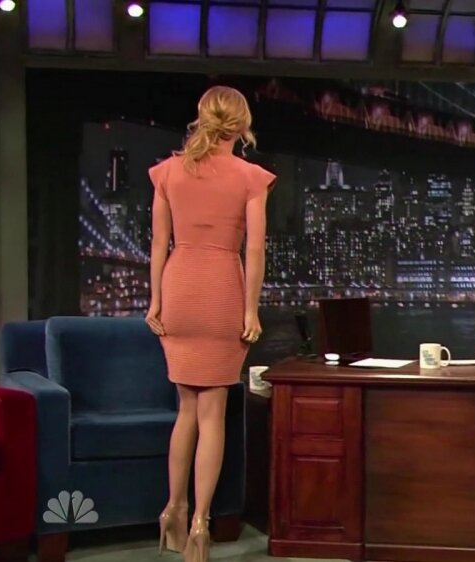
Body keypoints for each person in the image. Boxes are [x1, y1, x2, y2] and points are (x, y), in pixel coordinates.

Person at [145, 85, 275, 561]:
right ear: (241, 125)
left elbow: (158, 244)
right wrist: (250, 309)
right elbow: (254, 250)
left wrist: (156, 301)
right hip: (221, 291)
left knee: (185, 410)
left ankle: (172, 511)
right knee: (211, 415)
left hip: (179, 288)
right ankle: (201, 523)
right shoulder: (251, 177)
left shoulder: (167, 172)